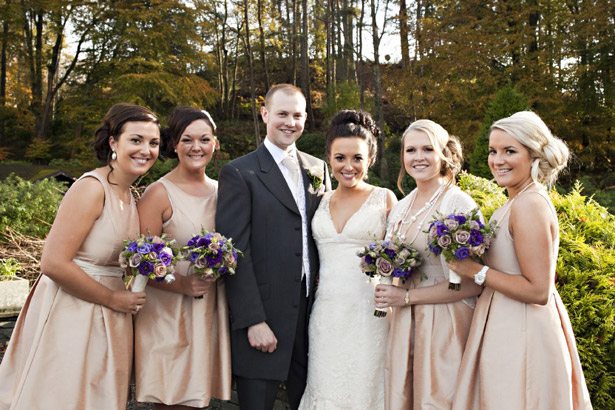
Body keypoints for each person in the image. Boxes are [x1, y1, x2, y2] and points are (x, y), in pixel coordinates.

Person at [0, 103, 159, 410]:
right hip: (71, 312)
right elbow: (53, 262)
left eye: (153, 143)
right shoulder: (91, 188)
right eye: (136, 140)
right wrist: (113, 299)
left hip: (108, 316)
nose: (146, 150)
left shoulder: (130, 196)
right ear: (113, 143)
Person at [449, 111, 592, 410]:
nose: (497, 160)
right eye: (493, 151)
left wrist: (475, 270)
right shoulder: (516, 200)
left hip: (523, 330)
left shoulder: (529, 204)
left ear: (533, 155)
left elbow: (538, 290)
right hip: (506, 322)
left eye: (509, 151)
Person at [215, 84, 330, 410]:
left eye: (297, 115)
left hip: (311, 315)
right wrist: (253, 320)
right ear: (265, 114)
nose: (289, 122)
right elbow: (235, 253)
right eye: (282, 114)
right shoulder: (239, 172)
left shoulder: (318, 168)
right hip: (263, 315)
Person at [374, 119, 483, 410]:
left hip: (445, 321)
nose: (418, 157)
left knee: (439, 398)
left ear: (443, 155)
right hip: (404, 321)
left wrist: (408, 297)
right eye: (411, 150)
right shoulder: (401, 207)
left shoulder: (457, 204)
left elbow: (472, 283)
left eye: (427, 149)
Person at [298, 110, 397, 410]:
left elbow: (398, 259)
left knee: (365, 389)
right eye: (340, 158)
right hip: (325, 316)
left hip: (370, 315)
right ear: (329, 158)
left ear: (370, 159)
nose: (348, 166)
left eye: (357, 158)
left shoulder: (385, 198)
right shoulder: (319, 200)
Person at [134, 106, 231, 409]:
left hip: (208, 311)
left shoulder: (223, 192)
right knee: (171, 397)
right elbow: (138, 263)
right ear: (174, 145)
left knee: (197, 399)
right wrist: (182, 284)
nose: (196, 147)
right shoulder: (158, 193)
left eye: (204, 139)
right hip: (168, 314)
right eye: (187, 140)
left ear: (215, 143)